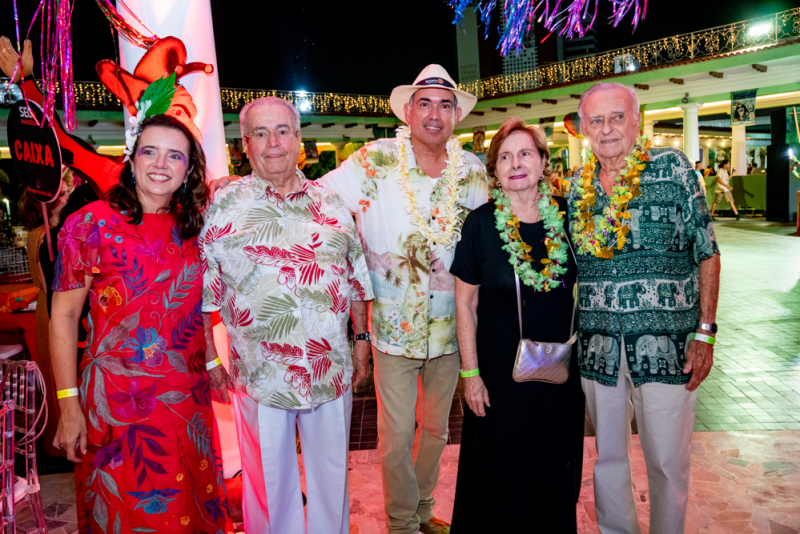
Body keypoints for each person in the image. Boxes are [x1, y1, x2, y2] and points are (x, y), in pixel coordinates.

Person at [318, 64, 489, 534]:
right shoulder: (375, 160)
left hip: (452, 330)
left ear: (456, 115)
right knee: (395, 439)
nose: (435, 114)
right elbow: (319, 199)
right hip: (392, 328)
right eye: (425, 103)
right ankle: (400, 524)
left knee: (436, 431)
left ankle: (422, 509)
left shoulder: (472, 171)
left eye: (445, 104)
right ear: (409, 111)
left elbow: (488, 241)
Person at [201, 96, 374, 534]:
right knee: (268, 486)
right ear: (244, 144)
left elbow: (356, 281)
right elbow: (203, 291)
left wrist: (361, 344)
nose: (273, 142)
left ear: (299, 139)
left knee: (332, 480)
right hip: (260, 377)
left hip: (329, 371)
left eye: (282, 131)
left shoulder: (332, 205)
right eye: (260, 133)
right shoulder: (222, 206)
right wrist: (209, 358)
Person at [49, 113, 229, 533]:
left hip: (187, 401)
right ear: (132, 161)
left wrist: (214, 361)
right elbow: (64, 316)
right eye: (150, 151)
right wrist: (67, 404)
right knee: (128, 510)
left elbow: (198, 306)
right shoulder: (89, 225)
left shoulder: (195, 227)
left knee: (189, 508)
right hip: (118, 405)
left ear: (189, 170)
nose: (160, 164)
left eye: (175, 156)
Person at [570, 82, 721, 534]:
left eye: (617, 117)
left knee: (667, 462)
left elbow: (707, 251)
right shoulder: (577, 187)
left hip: (669, 347)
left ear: (638, 120)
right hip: (598, 349)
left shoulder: (673, 168)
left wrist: (706, 332)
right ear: (583, 129)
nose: (607, 129)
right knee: (608, 458)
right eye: (596, 120)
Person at [450, 118, 584, 532]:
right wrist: (470, 374)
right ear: (495, 171)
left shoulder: (569, 217)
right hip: (498, 377)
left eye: (525, 153)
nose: (515, 163)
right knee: (499, 474)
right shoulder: (480, 225)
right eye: (504, 157)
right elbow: (465, 306)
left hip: (560, 376)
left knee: (554, 470)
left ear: (544, 162)